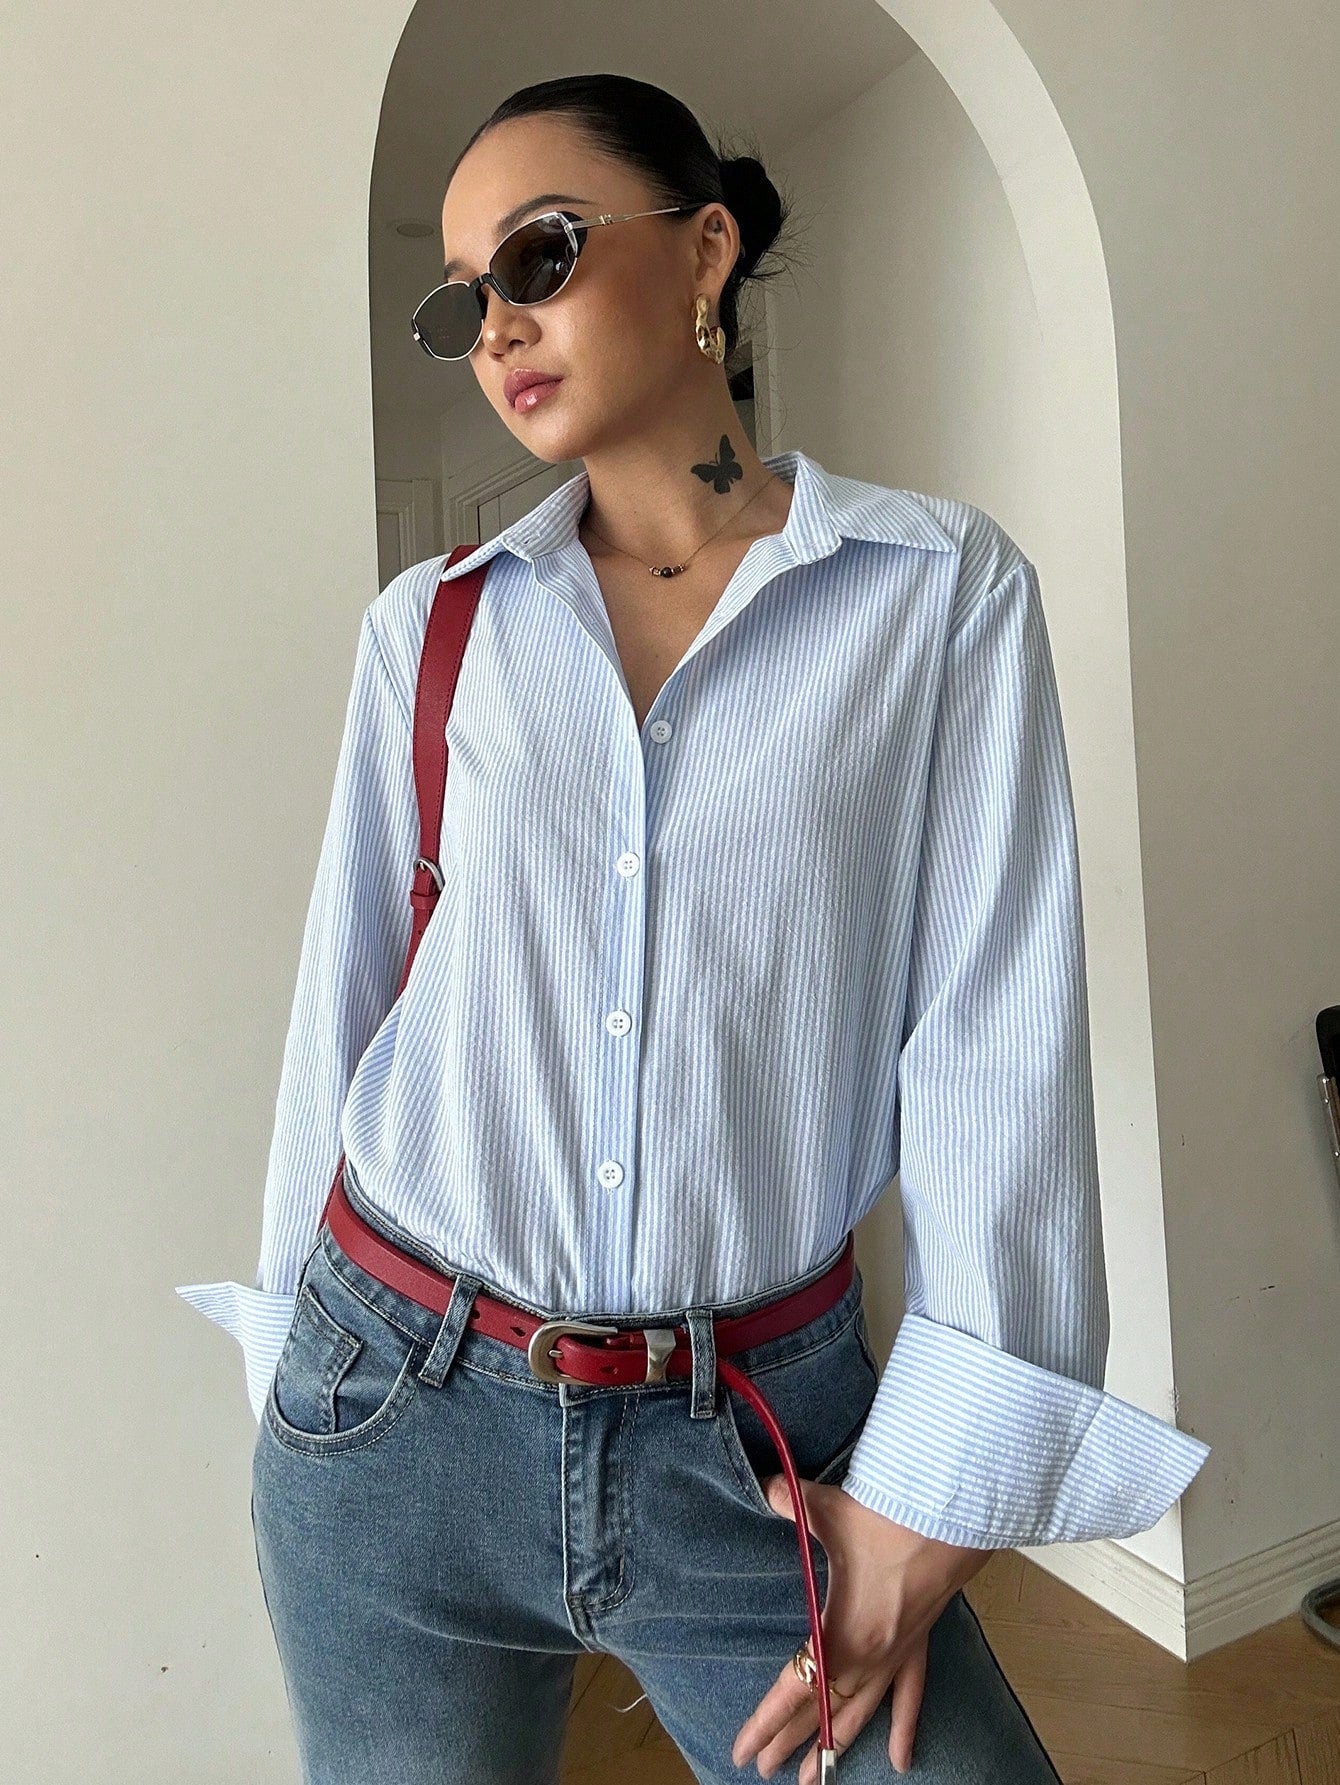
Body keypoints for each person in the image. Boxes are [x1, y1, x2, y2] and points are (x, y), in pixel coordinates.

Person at [177, 70, 1211, 1785]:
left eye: (542, 254)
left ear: (708, 249)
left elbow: (995, 1036)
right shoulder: (434, 629)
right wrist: (301, 1361)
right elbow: (345, 1002)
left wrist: (933, 1500)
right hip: (393, 1410)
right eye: (462, 299)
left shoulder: (934, 594)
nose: (498, 325)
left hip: (754, 1443)